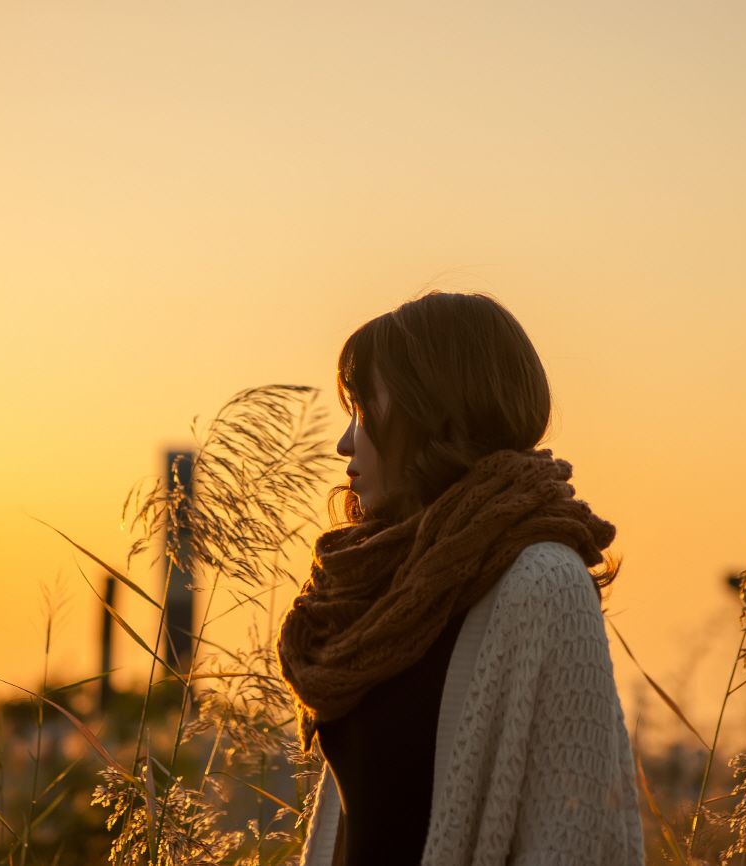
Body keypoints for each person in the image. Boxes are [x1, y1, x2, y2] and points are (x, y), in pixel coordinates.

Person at [275, 290, 645, 865]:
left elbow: (570, 842)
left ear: (432, 414)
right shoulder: (377, 589)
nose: (345, 442)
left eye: (364, 411)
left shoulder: (544, 583)